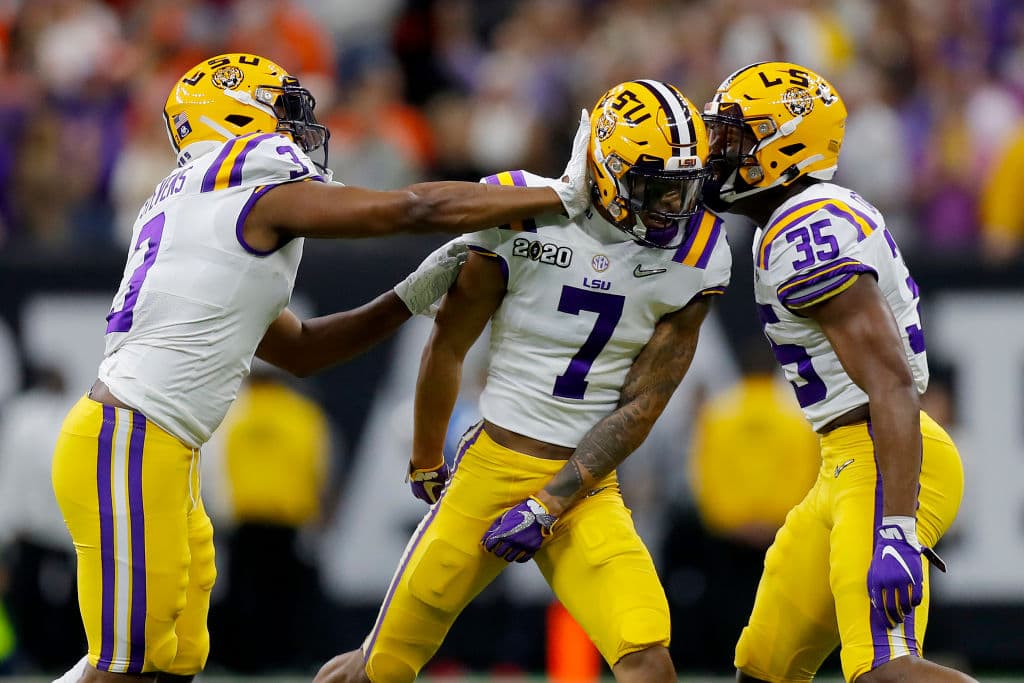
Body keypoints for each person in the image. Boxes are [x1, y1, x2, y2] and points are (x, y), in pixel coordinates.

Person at [49, 52, 591, 683]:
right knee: (128, 664)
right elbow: (410, 209)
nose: (298, 129)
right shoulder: (245, 188)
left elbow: (302, 350)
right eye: (282, 112)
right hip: (129, 440)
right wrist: (560, 193)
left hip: (155, 446)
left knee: (174, 659)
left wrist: (407, 297)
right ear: (234, 118)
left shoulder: (205, 207)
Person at [314, 79, 731, 683]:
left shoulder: (699, 253)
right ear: (606, 171)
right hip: (490, 465)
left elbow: (643, 404)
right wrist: (426, 456)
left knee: (647, 656)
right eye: (654, 186)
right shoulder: (519, 210)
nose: (673, 205)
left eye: (682, 187)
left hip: (585, 484)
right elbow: (448, 345)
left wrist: (551, 502)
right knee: (381, 664)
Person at [699, 61, 976, 683]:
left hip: (881, 457)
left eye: (735, 136)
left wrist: (896, 528)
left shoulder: (806, 228)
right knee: (762, 670)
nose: (719, 151)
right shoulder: (795, 219)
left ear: (783, 146)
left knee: (883, 670)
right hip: (843, 465)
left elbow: (891, 383)